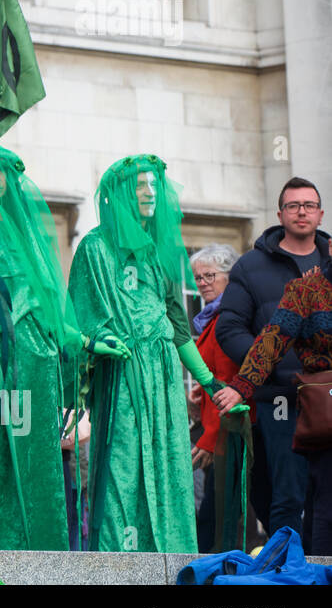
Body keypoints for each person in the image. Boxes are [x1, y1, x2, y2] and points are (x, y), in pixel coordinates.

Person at [0, 140, 125, 550]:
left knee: (41, 463)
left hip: (36, 365)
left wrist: (90, 341)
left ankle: (47, 557)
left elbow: (53, 313)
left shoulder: (30, 242)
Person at [68, 154, 223, 552]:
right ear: (121, 192)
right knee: (123, 469)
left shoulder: (160, 251)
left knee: (169, 467)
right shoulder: (94, 248)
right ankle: (120, 566)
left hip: (165, 373)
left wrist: (210, 383)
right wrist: (95, 342)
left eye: (154, 185)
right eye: (140, 185)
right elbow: (75, 320)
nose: (149, 192)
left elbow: (177, 328)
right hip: (122, 375)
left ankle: (171, 560)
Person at [215, 177, 325, 540]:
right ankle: (289, 570)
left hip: (328, 395)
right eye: (293, 206)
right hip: (281, 396)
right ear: (280, 214)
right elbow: (242, 333)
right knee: (287, 493)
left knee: (327, 495)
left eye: (308, 205)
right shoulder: (254, 267)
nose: (301, 212)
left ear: (320, 214)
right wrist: (255, 377)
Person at [188, 243, 254, 552]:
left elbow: (230, 383)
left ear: (230, 276)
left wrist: (212, 438)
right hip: (220, 428)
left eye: (210, 275)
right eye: (198, 278)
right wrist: (203, 388)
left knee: (219, 516)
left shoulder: (229, 319)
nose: (202, 283)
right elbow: (216, 376)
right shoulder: (211, 319)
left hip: (229, 430)